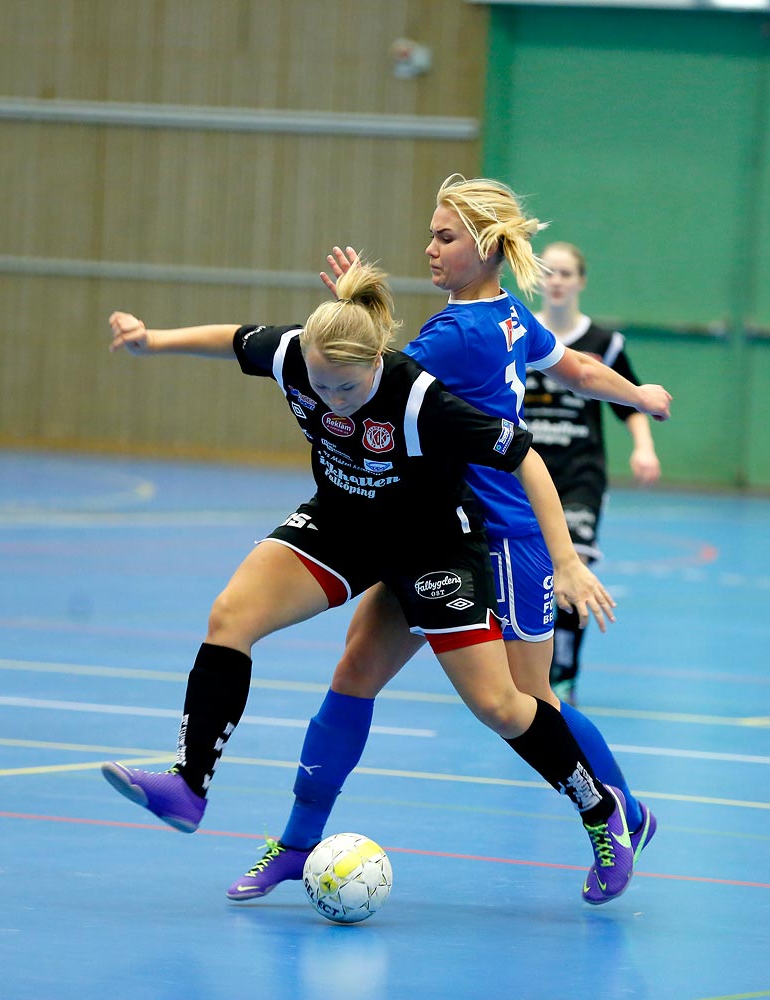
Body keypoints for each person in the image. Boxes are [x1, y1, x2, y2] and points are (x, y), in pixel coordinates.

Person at [100, 259, 638, 903]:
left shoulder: (420, 398)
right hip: (343, 523)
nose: (333, 400)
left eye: (348, 389)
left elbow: (524, 457)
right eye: (321, 387)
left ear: (378, 363)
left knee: (500, 704)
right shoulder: (299, 356)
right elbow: (233, 338)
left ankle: (601, 814)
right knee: (233, 618)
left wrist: (567, 559)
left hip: (433, 546)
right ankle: (194, 787)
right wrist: (151, 339)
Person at [226, 176, 672, 907]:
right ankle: (297, 841)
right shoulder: (503, 317)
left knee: (528, 703)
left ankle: (616, 814)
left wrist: (350, 316)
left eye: (445, 238)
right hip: (430, 531)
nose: (430, 249)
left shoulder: (458, 333)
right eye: (431, 235)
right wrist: (638, 395)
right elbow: (578, 368)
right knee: (354, 673)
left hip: (500, 536)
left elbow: (373, 375)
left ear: (489, 247)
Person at [530, 241, 662, 705]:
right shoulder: (521, 334)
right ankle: (528, 669)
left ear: (580, 281)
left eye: (567, 273)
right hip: (523, 475)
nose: (557, 280)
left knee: (572, 572)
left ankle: (564, 672)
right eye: (550, 272)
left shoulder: (604, 344)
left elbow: (632, 401)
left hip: (579, 476)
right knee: (527, 574)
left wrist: (643, 448)